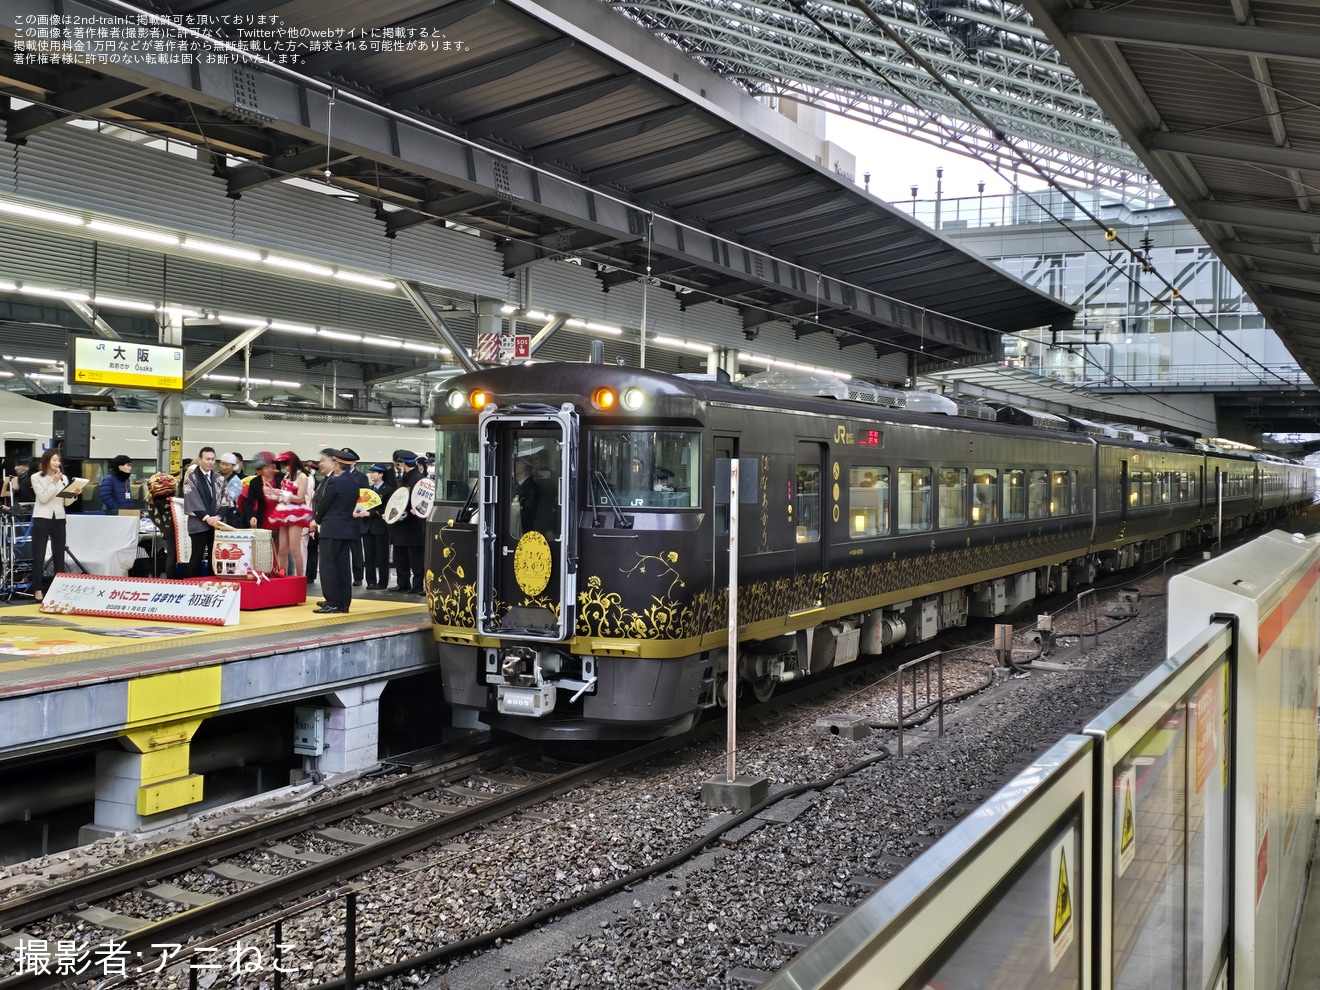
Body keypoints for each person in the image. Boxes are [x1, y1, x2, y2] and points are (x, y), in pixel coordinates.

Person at [311, 447, 361, 614]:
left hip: (331, 528)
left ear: (337, 465)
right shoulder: (354, 482)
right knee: (343, 567)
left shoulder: (335, 482)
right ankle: (343, 603)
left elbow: (324, 504)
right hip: (346, 529)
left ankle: (332, 601)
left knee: (328, 566)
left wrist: (317, 519)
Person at [29, 449, 69, 599]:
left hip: (59, 517)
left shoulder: (63, 478)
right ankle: (37, 588)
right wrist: (54, 482)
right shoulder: (36, 477)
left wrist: (74, 494)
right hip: (42, 517)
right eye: (54, 460)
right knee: (38, 554)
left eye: (58, 460)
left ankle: (59, 587)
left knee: (59, 554)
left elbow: (66, 501)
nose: (57, 463)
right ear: (46, 461)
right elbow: (43, 498)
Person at [182, 447, 225, 578]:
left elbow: (225, 499)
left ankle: (214, 585)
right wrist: (206, 517)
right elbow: (191, 498)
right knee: (197, 554)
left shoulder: (219, 478)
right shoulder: (191, 477)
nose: (211, 462)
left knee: (215, 556)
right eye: (207, 459)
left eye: (213, 459)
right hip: (199, 523)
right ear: (200, 459)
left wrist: (218, 516)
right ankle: (191, 585)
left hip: (216, 524)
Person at [269, 451, 313, 576]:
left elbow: (300, 498)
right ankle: (284, 576)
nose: (284, 467)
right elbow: (283, 495)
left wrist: (282, 493)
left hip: (297, 512)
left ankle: (300, 578)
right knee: (282, 549)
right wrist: (274, 494)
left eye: (286, 464)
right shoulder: (286, 477)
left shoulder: (302, 477)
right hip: (284, 511)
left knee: (295, 549)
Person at [389, 449, 425, 595]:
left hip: (413, 526)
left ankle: (417, 585)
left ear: (403, 463)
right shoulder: (407, 477)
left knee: (415, 559)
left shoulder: (417, 478)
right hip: (402, 526)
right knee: (400, 557)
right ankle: (402, 583)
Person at [358, 462, 395, 589]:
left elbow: (387, 508)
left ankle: (383, 581)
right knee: (369, 556)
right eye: (371, 472)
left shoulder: (388, 490)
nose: (371, 474)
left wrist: (371, 513)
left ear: (381, 474)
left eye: (374, 472)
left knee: (382, 556)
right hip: (367, 527)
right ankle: (370, 581)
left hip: (380, 526)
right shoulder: (368, 490)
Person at [241, 454, 280, 532]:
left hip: (281, 518)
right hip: (264, 518)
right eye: (266, 467)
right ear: (261, 469)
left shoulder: (281, 477)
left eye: (271, 466)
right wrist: (250, 517)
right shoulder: (255, 482)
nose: (270, 469)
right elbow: (248, 502)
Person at [511, 458, 539, 537]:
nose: (511, 467)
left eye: (514, 465)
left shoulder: (531, 488)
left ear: (522, 466)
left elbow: (527, 512)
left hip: (524, 531)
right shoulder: (514, 484)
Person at [219, 453, 244, 523]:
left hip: (230, 514)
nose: (224, 467)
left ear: (233, 466)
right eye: (222, 464)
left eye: (227, 465)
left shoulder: (236, 481)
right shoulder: (215, 476)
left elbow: (230, 498)